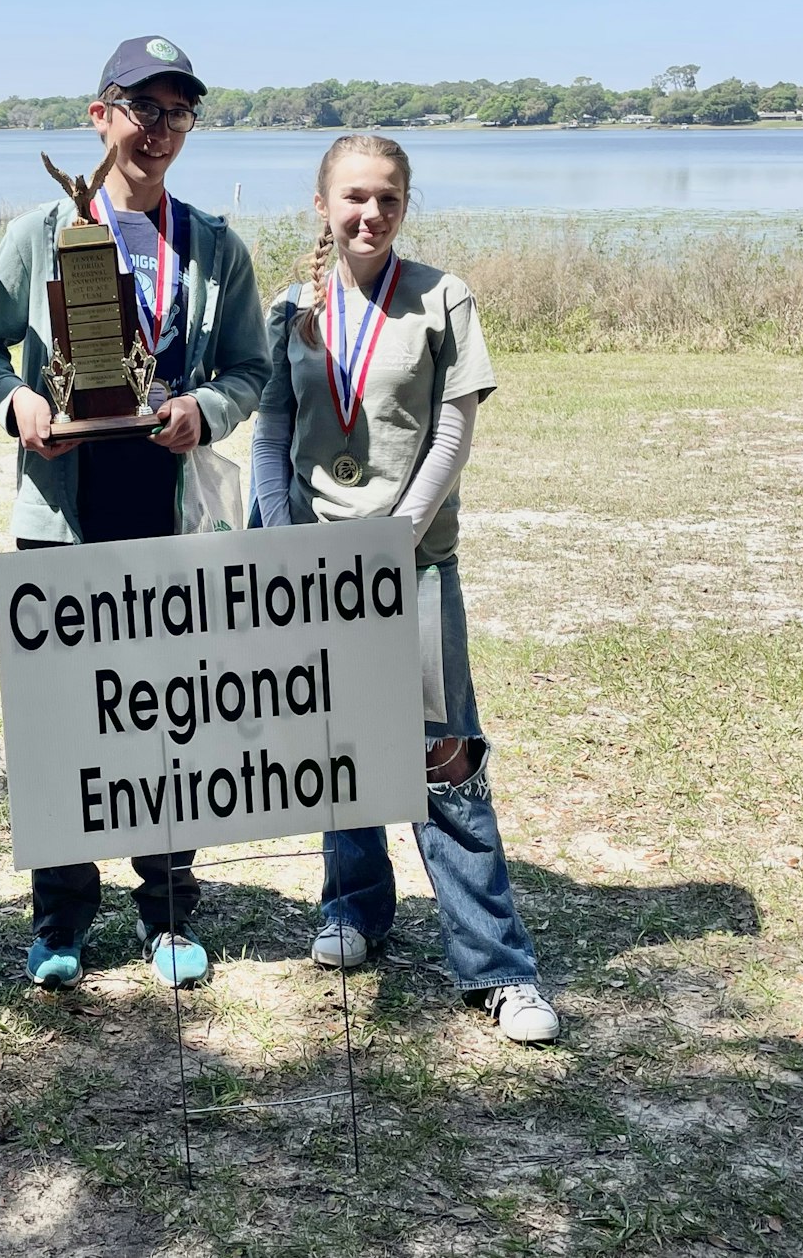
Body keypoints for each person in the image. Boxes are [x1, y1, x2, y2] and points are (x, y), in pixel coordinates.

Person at [0, 35, 269, 991]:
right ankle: (60, 918)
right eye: (142, 108)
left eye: (179, 113)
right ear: (100, 116)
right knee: (61, 719)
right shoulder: (39, 233)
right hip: (65, 511)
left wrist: (202, 410)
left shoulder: (214, 245)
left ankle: (169, 909)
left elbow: (249, 370)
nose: (160, 130)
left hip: (169, 514)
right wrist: (19, 405)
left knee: (167, 717)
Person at [248, 134, 560, 1044]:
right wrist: (282, 539)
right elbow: (272, 432)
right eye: (353, 197)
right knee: (335, 742)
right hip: (311, 567)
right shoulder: (289, 307)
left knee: (442, 757)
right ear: (321, 204)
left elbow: (452, 437)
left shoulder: (442, 298)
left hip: (410, 564)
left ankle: (498, 968)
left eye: (387, 198)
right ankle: (352, 909)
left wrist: (396, 539)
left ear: (405, 205)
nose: (369, 214)